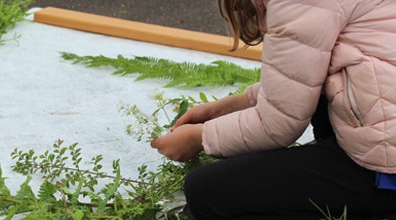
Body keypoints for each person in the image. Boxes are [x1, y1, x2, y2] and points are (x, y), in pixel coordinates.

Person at [150, 0, 396, 219]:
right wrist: (226, 107)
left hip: (386, 170)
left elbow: (277, 125)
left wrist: (200, 138)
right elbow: (302, 76)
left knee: (203, 191)